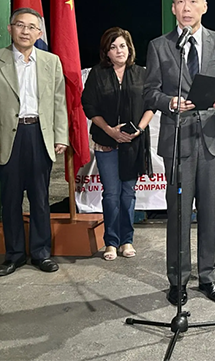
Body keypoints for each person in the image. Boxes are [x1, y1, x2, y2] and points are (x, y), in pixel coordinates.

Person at [144, 0, 215, 305]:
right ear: (173, 8)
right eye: (180, 1)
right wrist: (168, 102)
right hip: (178, 141)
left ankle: (209, 277)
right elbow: (149, 92)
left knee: (211, 214)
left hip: (213, 139)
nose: (187, 7)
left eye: (193, 0)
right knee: (178, 215)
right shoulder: (160, 46)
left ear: (205, 6)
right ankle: (178, 280)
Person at [0, 7, 68, 277]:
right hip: (8, 138)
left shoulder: (51, 61)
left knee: (40, 198)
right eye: (20, 25)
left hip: (39, 135)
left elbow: (59, 101)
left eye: (31, 27)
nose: (25, 31)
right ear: (10, 28)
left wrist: (60, 136)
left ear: (39, 33)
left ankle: (41, 253)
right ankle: (14, 255)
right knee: (11, 198)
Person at [82, 27, 154, 261]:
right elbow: (89, 106)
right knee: (111, 194)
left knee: (128, 193)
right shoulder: (97, 74)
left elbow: (151, 105)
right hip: (106, 142)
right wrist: (110, 131)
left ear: (129, 48)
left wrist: (139, 130)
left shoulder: (141, 74)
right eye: (113, 47)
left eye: (122, 45)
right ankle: (111, 242)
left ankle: (127, 240)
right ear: (106, 52)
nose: (119, 51)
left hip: (133, 143)